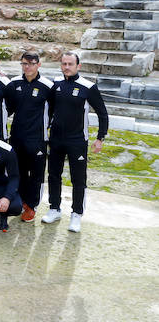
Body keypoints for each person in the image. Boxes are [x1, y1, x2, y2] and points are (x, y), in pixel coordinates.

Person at [42, 52, 109, 233]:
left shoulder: (88, 87)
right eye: (64, 63)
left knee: (78, 179)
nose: (66, 67)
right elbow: (49, 109)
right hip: (56, 139)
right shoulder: (56, 84)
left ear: (78, 66)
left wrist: (100, 138)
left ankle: (77, 214)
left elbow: (102, 113)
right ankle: (54, 209)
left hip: (77, 140)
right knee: (53, 175)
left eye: (70, 64)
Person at [4, 51, 52, 222]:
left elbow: (53, 112)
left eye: (32, 64)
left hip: (37, 139)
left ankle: (32, 206)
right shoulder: (14, 83)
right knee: (19, 171)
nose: (28, 67)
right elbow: (8, 107)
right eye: (25, 63)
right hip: (17, 137)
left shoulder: (48, 86)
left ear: (38, 65)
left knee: (37, 174)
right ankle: (21, 201)